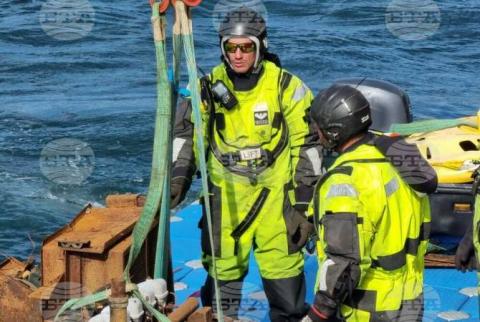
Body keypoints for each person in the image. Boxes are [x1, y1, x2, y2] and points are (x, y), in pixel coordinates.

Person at [170, 6, 322, 321]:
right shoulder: (205, 89)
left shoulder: (287, 88)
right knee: (220, 298)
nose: (238, 55)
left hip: (277, 204)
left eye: (246, 47)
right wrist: (175, 185)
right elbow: (186, 140)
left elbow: (308, 145)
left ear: (260, 46)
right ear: (222, 49)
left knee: (287, 292)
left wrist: (304, 204)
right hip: (225, 204)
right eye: (231, 47)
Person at [305, 84, 437, 321]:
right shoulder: (399, 160)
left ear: (335, 132)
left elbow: (343, 261)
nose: (317, 133)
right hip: (409, 299)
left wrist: (318, 312)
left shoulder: (344, 181)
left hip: (368, 309)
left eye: (320, 128)